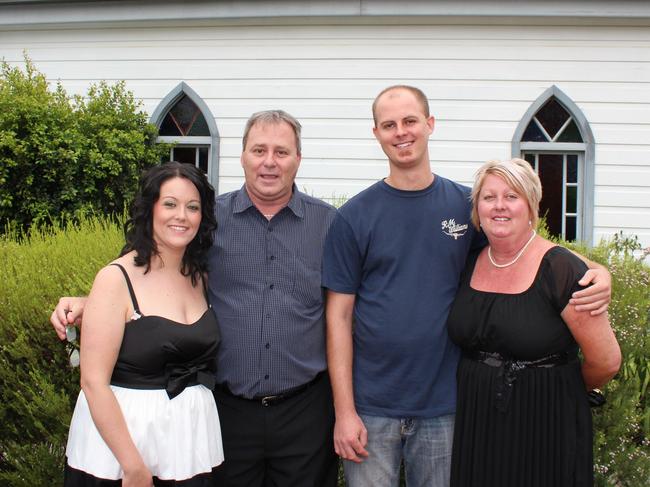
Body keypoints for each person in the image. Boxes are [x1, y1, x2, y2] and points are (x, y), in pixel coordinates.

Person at [322, 85, 611, 487]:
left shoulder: (465, 206)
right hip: (372, 409)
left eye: (410, 121)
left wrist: (597, 268)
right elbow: (338, 316)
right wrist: (344, 411)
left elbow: (522, 249)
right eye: (389, 125)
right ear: (377, 134)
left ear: (430, 124)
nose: (401, 132)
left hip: (448, 407)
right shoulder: (353, 217)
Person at [52, 110, 339, 487]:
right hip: (228, 411)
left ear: (298, 158)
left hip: (305, 412)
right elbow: (148, 271)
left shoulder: (330, 224)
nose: (269, 162)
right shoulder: (209, 221)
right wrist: (96, 301)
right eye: (259, 150)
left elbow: (346, 308)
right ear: (242, 156)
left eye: (281, 152)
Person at [446, 158, 621, 487]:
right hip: (478, 419)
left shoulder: (562, 270)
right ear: (477, 209)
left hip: (546, 421)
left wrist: (559, 386)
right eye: (489, 197)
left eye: (512, 197)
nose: (500, 206)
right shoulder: (469, 261)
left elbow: (606, 361)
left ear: (531, 207)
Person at [63, 161, 223, 486]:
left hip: (188, 445)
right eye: (170, 204)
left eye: (192, 207)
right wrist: (133, 466)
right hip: (122, 452)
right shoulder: (115, 279)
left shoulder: (200, 278)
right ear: (149, 209)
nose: (181, 215)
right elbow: (93, 382)